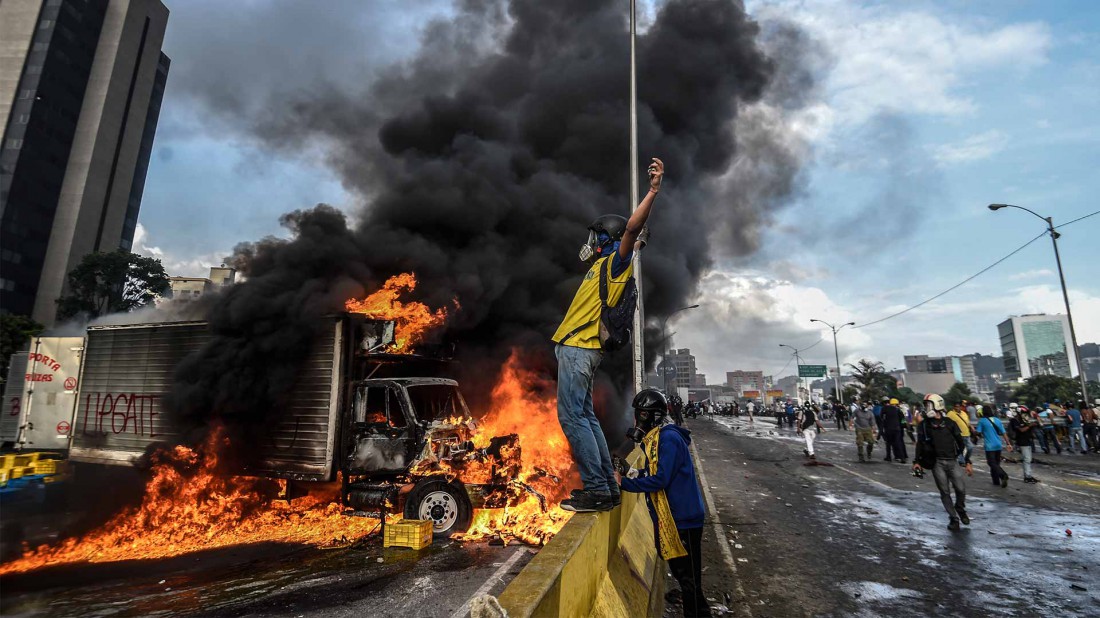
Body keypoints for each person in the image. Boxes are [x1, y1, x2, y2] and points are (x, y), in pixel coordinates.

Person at [554, 157, 664, 512]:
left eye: (596, 236)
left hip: (578, 349)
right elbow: (634, 238)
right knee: (585, 417)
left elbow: (631, 230)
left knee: (572, 418)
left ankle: (597, 490)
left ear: (606, 239)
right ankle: (608, 487)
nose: (590, 241)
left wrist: (652, 191)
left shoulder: (617, 263)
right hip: (577, 350)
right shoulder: (602, 266)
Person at [619, 388, 711, 617]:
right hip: (675, 516)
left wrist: (624, 483)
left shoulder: (668, 439)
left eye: (642, 414)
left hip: (684, 518)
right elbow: (655, 471)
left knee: (689, 579)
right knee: (683, 574)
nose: (638, 420)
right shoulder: (659, 438)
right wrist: (632, 473)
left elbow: (660, 479)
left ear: (655, 415)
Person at [913, 394, 972, 531]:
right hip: (937, 463)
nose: (926, 408)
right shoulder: (924, 425)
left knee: (961, 489)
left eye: (928, 405)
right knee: (944, 492)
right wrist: (916, 462)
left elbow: (961, 443)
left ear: (937, 405)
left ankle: (960, 508)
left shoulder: (950, 423)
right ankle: (953, 518)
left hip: (953, 461)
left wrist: (967, 461)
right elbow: (920, 444)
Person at [976, 408, 1012, 487]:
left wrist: (972, 429)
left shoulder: (982, 421)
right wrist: (1008, 443)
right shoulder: (997, 420)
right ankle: (996, 482)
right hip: (998, 445)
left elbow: (978, 432)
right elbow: (1004, 433)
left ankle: (1003, 475)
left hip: (989, 446)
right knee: (996, 464)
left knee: (991, 463)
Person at [1010, 405, 1040, 483]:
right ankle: (1027, 476)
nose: (1025, 415)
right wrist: (1030, 426)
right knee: (1026, 459)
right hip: (1022, 441)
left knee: (1028, 459)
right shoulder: (1014, 420)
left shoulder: (1024, 420)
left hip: (1027, 441)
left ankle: (1028, 475)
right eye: (1024, 413)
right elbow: (1021, 430)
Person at [880, 398, 908, 463]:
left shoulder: (884, 409)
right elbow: (903, 419)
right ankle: (902, 458)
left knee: (888, 443)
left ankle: (888, 457)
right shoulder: (898, 410)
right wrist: (904, 426)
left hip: (888, 429)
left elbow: (882, 417)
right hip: (897, 429)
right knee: (898, 443)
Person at [946, 402, 973, 466]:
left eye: (958, 406)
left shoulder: (964, 413)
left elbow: (967, 422)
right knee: (961, 448)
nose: (957, 408)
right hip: (958, 434)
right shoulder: (950, 414)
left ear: (960, 407)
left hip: (966, 433)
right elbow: (946, 422)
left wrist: (971, 427)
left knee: (970, 447)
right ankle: (961, 461)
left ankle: (966, 459)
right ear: (953, 407)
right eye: (956, 406)